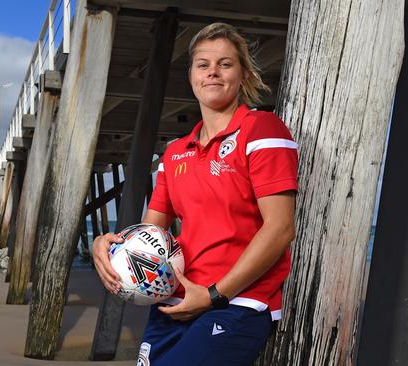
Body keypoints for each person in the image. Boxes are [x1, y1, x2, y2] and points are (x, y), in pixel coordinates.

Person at [93, 22, 298, 365]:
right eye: (203, 65)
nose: (213, 73)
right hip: (176, 301)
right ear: (191, 75)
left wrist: (214, 295)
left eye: (225, 64)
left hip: (237, 304)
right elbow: (149, 234)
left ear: (243, 74)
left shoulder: (261, 130)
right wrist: (109, 247)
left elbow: (280, 229)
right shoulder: (175, 153)